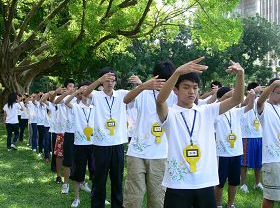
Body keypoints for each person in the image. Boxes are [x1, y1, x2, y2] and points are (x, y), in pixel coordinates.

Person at [156, 58, 244, 208]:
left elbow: (237, 99)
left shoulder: (207, 111)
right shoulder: (170, 114)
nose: (192, 91)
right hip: (178, 184)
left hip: (205, 182)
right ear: (175, 90)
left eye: (195, 87)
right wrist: (177, 72)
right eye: (186, 87)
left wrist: (240, 75)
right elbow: (160, 100)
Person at [123, 61, 176, 208]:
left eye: (168, 80)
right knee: (133, 197)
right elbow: (126, 100)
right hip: (137, 153)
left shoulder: (174, 96)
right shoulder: (144, 92)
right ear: (154, 77)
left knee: (157, 199)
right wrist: (143, 86)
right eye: (161, 80)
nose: (163, 84)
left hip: (160, 154)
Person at [84, 68, 127, 208]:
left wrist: (139, 85)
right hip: (100, 145)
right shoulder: (96, 95)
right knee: (99, 180)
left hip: (118, 144)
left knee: (117, 180)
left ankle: (117, 205)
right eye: (107, 80)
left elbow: (137, 94)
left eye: (112, 80)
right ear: (102, 81)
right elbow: (85, 93)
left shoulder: (121, 94)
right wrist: (98, 81)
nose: (110, 83)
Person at [214, 87, 255, 208]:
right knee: (219, 183)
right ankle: (218, 204)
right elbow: (217, 103)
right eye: (231, 96)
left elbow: (248, 107)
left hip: (236, 152)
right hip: (221, 154)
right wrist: (227, 95)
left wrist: (252, 97)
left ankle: (231, 204)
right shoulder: (216, 111)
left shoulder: (235, 111)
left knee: (234, 182)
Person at [65, 85, 95, 207]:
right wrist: (76, 91)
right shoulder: (76, 107)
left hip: (94, 144)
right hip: (80, 145)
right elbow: (66, 102)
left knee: (96, 172)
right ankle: (77, 198)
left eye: (87, 93)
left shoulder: (95, 108)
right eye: (83, 93)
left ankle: (97, 195)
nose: (85, 95)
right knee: (78, 173)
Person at [257, 78, 280, 208]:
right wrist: (274, 84)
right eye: (278, 92)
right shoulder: (264, 107)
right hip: (273, 159)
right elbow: (259, 101)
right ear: (270, 91)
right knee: (270, 197)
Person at [240, 82, 264, 193]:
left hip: (259, 135)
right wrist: (252, 94)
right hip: (246, 136)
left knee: (258, 162)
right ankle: (243, 184)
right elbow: (243, 104)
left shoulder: (261, 101)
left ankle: (258, 183)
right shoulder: (245, 98)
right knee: (244, 163)